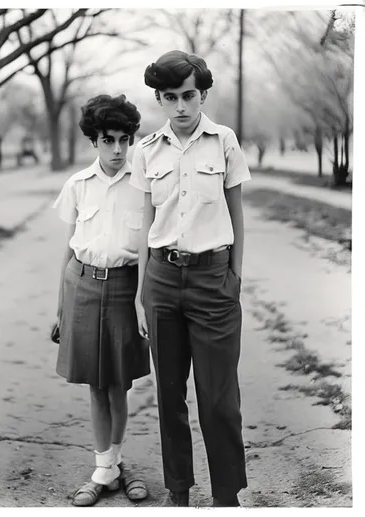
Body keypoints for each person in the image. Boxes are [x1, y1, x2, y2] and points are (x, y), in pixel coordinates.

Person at [130, 50, 251, 507]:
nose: (181, 106)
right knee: (169, 395)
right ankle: (178, 491)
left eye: (189, 96)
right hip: (162, 278)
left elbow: (237, 215)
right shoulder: (145, 151)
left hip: (213, 280)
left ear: (201, 95)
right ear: (160, 99)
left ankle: (226, 495)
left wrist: (234, 277)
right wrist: (144, 289)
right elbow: (146, 223)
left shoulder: (223, 141)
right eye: (170, 97)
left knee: (219, 397)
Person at [53, 94, 150, 507]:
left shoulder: (143, 184)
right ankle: (105, 468)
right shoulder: (77, 185)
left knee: (119, 384)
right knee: (95, 383)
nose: (116, 149)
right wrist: (60, 307)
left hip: (127, 288)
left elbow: (149, 246)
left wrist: (146, 300)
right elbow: (70, 248)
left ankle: (110, 467)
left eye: (123, 140)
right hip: (84, 286)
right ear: (94, 140)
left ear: (130, 140)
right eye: (107, 140)